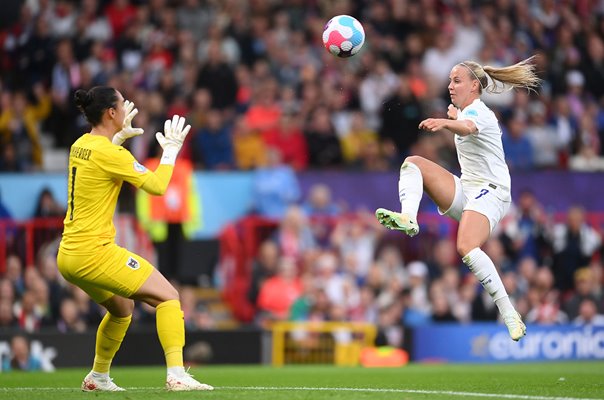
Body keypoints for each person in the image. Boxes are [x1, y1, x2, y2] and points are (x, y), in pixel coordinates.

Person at [56, 86, 213, 391]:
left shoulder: (80, 144)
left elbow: (98, 165)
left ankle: (98, 377)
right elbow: (156, 186)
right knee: (168, 296)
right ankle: (177, 374)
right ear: (111, 113)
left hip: (68, 255)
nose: (128, 109)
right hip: (93, 253)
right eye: (121, 105)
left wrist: (116, 138)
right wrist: (169, 151)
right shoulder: (111, 154)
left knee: (122, 310)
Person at [375, 57, 542, 341]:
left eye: (457, 81)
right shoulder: (466, 112)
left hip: (493, 192)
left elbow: (469, 128)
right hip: (469, 188)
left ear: (474, 86)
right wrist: (453, 118)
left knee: (465, 246)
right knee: (412, 163)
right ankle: (409, 217)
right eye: (450, 81)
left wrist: (445, 121)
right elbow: (463, 124)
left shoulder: (481, 113)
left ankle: (509, 312)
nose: (450, 86)